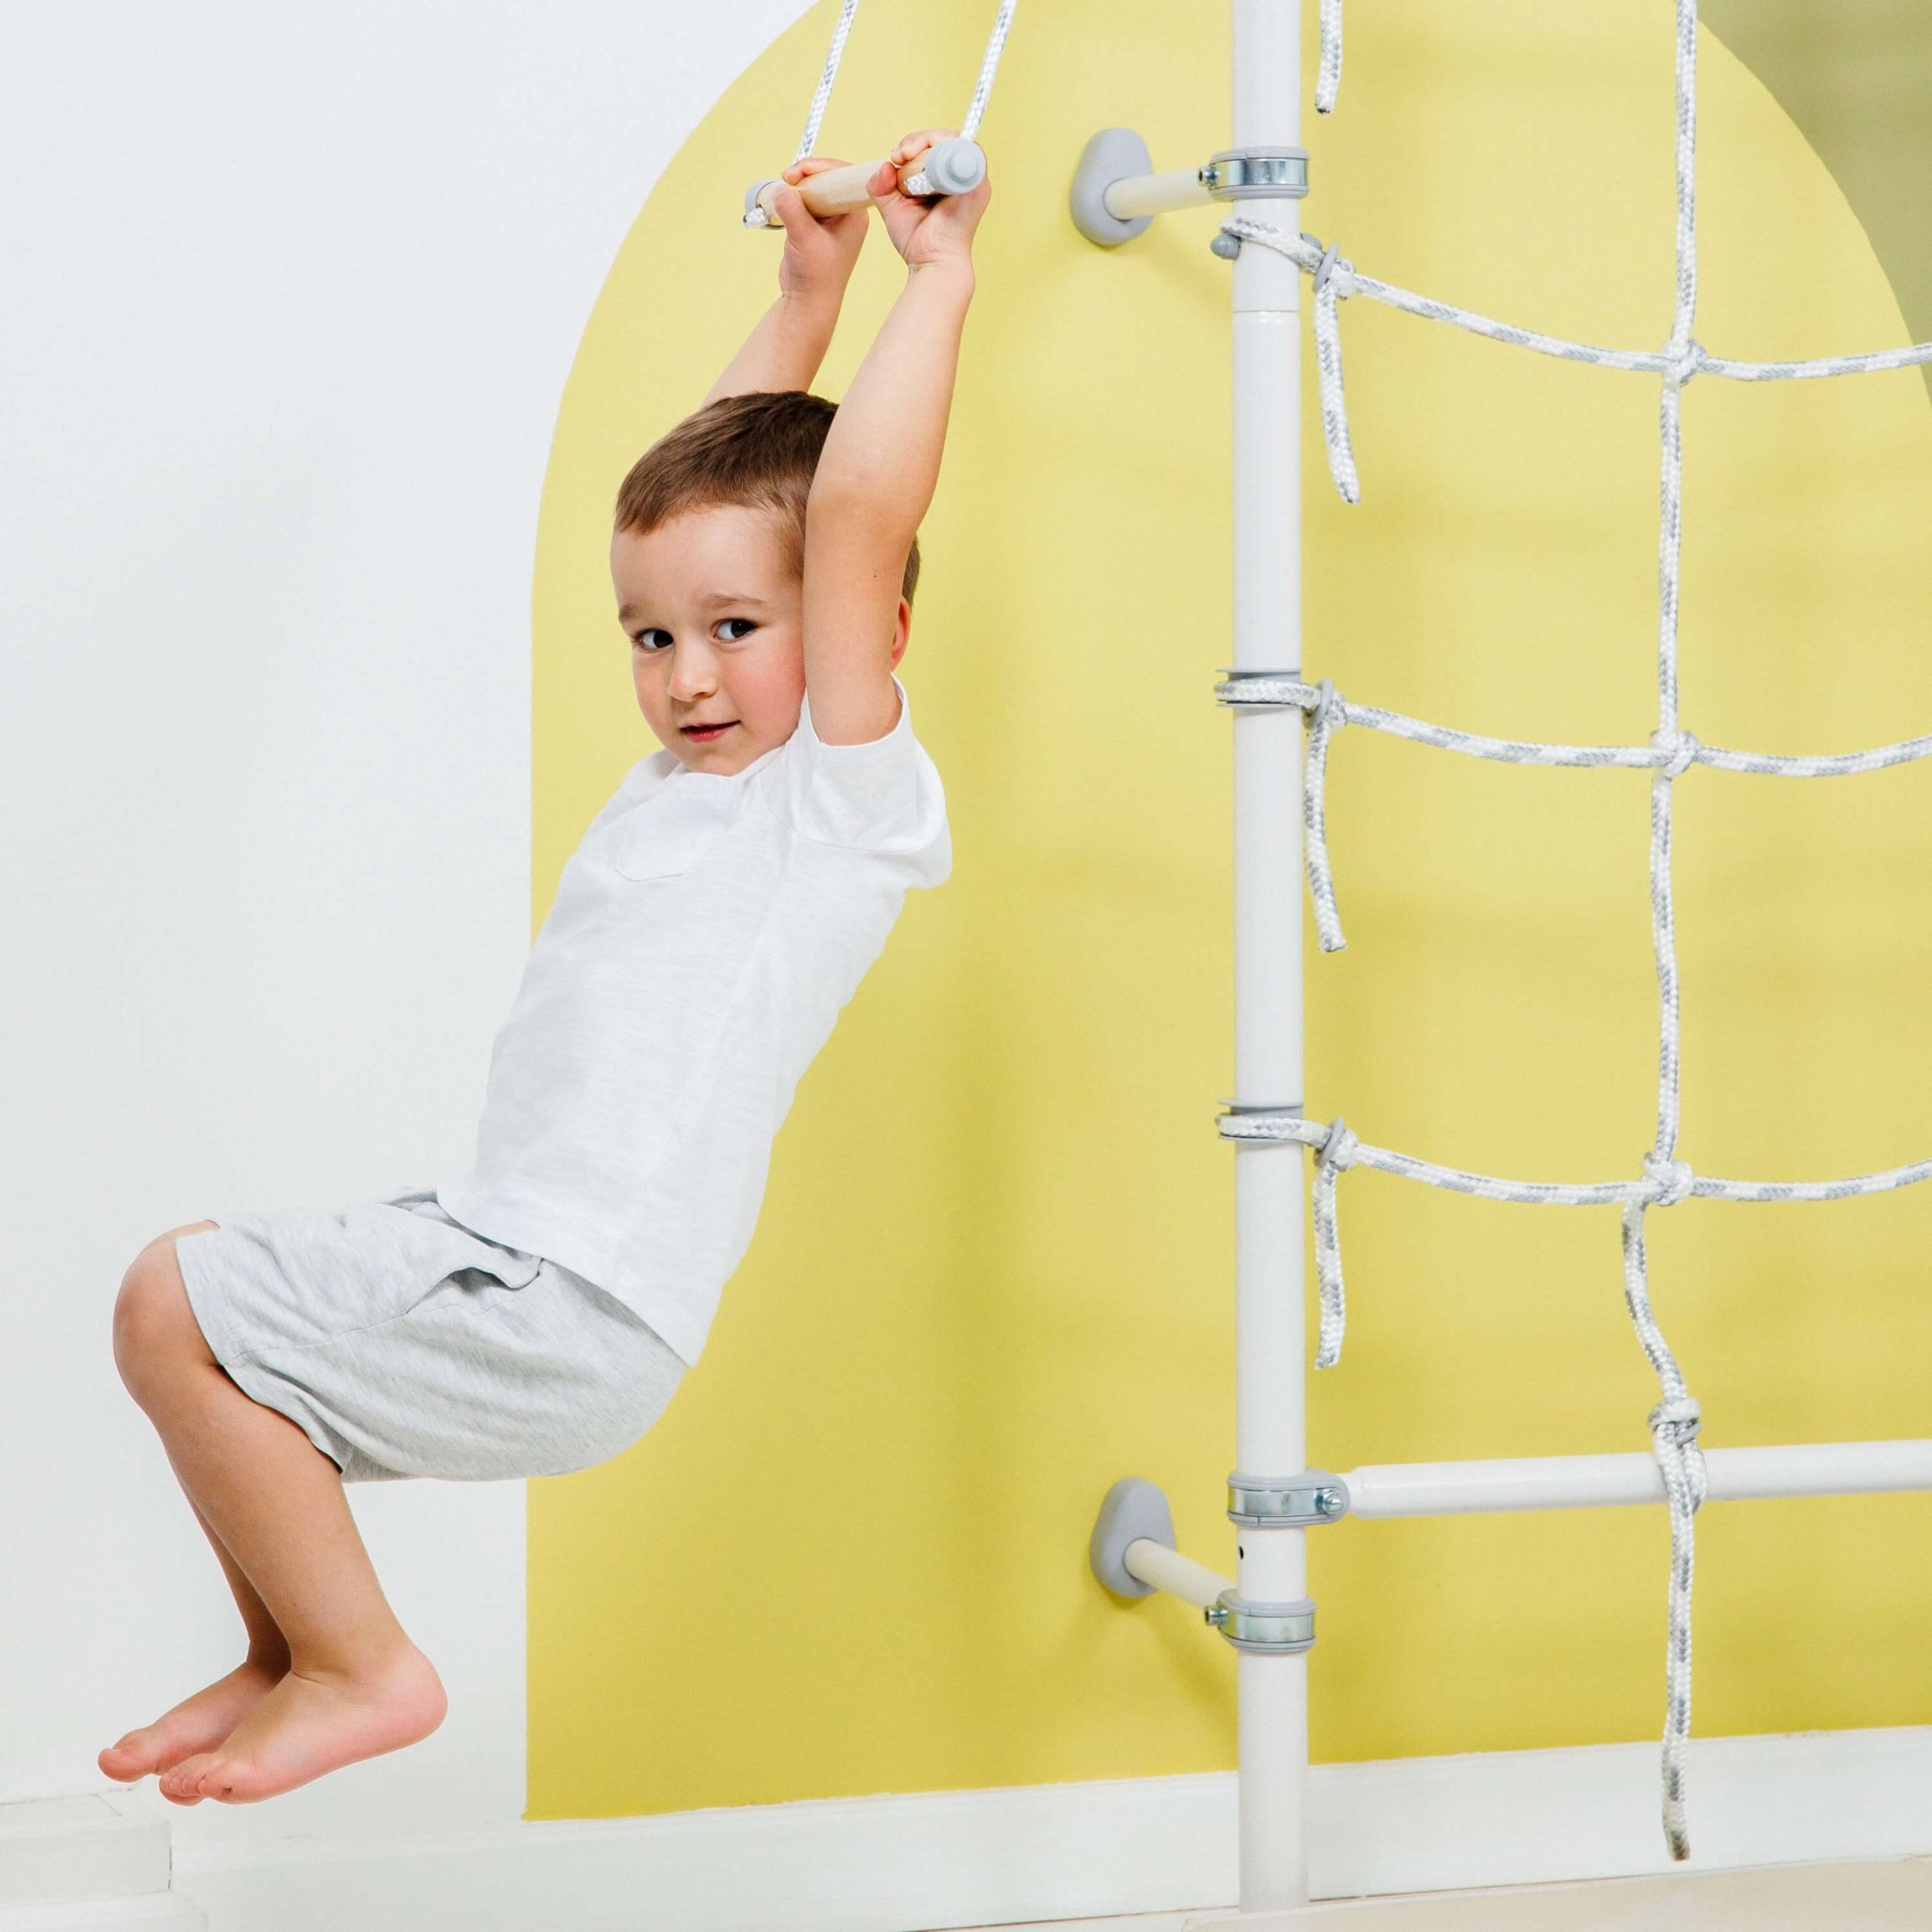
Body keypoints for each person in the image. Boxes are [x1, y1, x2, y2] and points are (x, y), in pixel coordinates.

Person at [100, 128, 986, 1806]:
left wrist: (932, 275)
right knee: (195, 1320)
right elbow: (702, 498)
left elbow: (856, 509)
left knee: (171, 1299)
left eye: (737, 632)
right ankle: (296, 1648)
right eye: (653, 637)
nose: (686, 674)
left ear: (863, 630)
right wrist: (806, 293)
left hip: (573, 1299)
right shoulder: (689, 782)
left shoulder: (833, 804)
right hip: (511, 1253)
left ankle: (362, 1661)